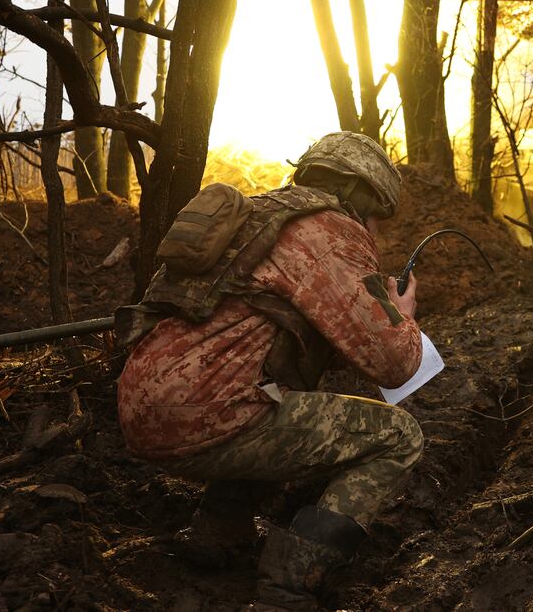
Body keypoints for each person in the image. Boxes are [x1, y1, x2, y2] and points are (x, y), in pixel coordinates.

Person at [116, 132, 424, 611]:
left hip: (140, 405)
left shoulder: (261, 215)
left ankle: (215, 533)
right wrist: (402, 315)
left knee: (277, 398)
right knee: (399, 437)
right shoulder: (329, 232)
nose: (376, 233)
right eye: (378, 218)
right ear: (362, 195)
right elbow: (394, 364)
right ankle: (290, 587)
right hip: (209, 411)